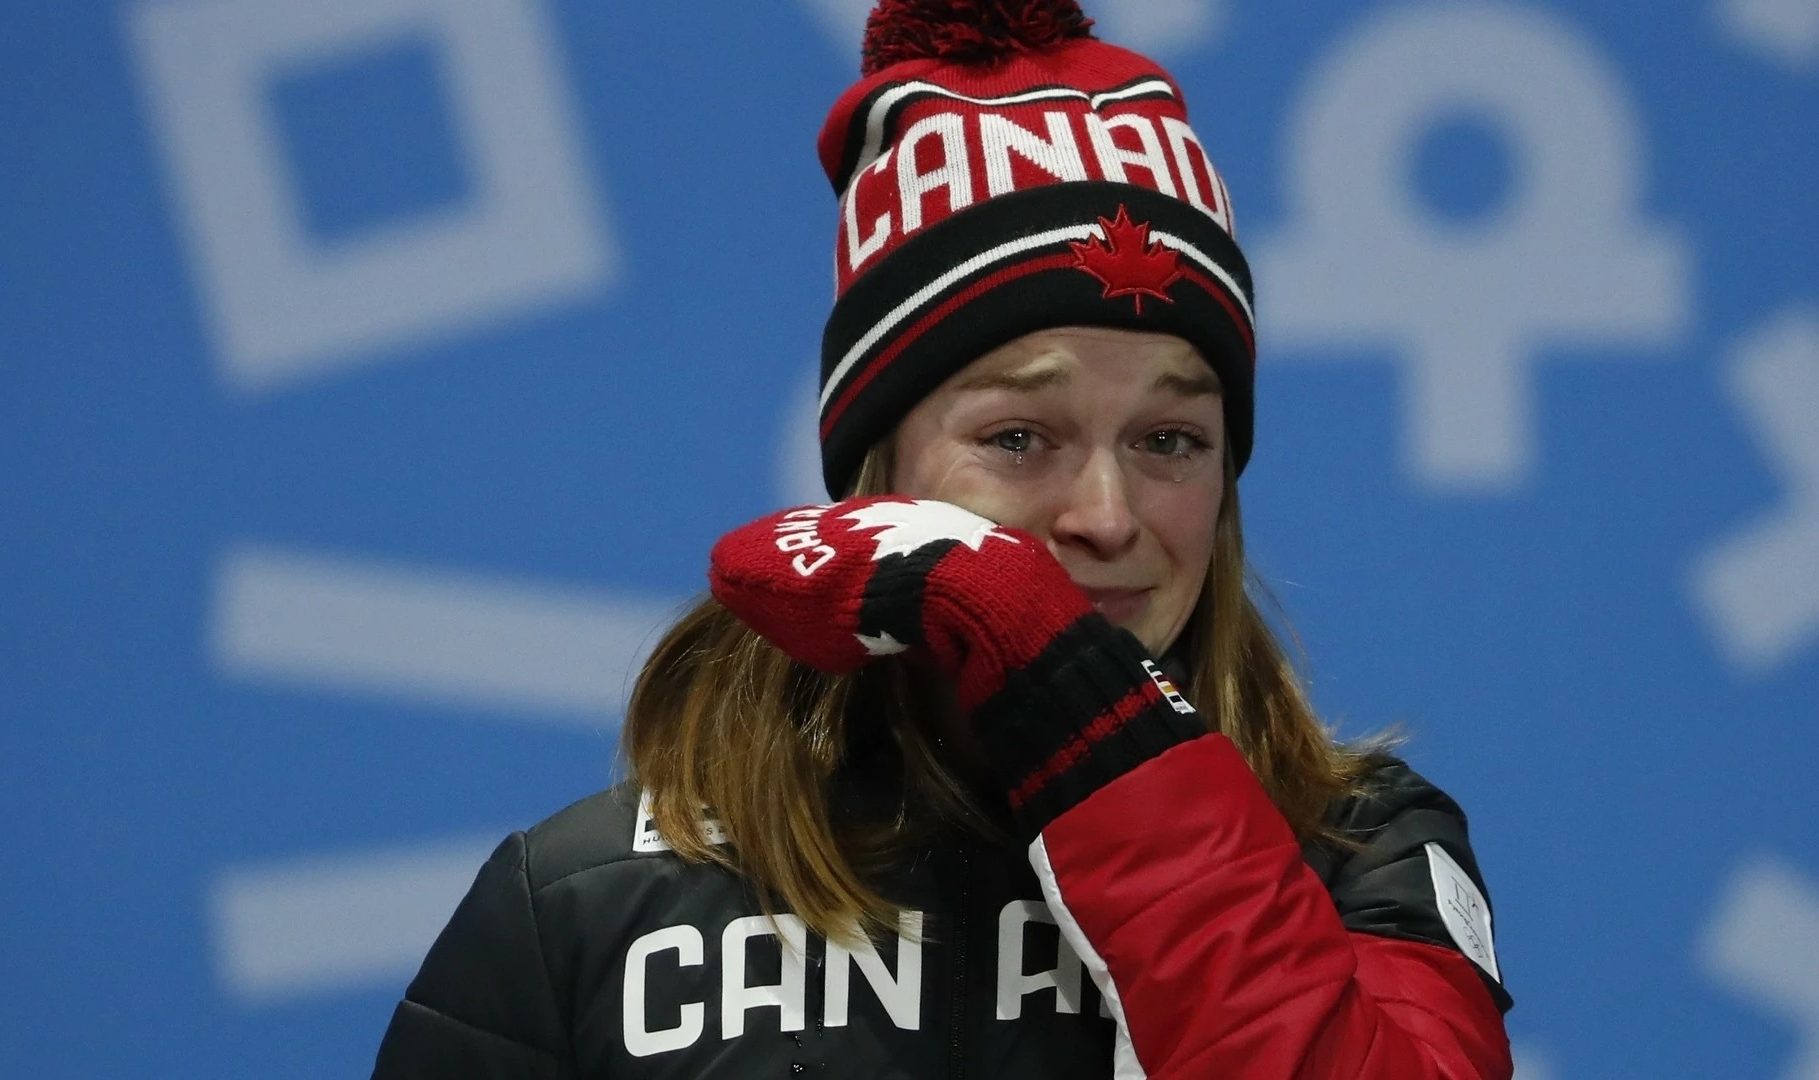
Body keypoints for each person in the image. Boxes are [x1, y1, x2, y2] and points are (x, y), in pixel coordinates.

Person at [370, 1, 1513, 1076]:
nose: (1106, 515)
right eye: (1021, 435)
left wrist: (1061, 682)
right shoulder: (583, 904)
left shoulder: (1361, 853)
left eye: (1171, 439)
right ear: (880, 471)